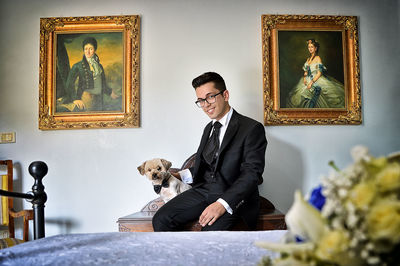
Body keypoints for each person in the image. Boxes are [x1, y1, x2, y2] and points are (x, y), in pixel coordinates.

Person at [152, 72, 267, 231]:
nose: (205, 105)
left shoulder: (252, 128)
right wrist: (176, 175)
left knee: (209, 233)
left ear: (225, 95)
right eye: (200, 100)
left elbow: (251, 174)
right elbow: (204, 167)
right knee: (161, 219)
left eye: (210, 97)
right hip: (204, 191)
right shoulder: (209, 128)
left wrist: (222, 204)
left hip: (234, 198)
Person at [57, 37, 117, 112]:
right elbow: (69, 84)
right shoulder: (78, 66)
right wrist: (75, 99)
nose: (88, 52)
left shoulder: (99, 66)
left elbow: (103, 83)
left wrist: (110, 92)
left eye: (90, 49)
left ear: (94, 50)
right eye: (86, 49)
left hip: (99, 100)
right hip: (85, 100)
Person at [286, 39, 345, 108]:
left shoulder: (318, 58)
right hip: (307, 80)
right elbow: (306, 71)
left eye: (312, 47)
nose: (310, 49)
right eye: (309, 47)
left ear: (315, 48)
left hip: (316, 79)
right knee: (301, 96)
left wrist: (311, 82)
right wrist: (305, 79)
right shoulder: (308, 59)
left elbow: (319, 73)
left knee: (313, 93)